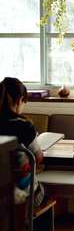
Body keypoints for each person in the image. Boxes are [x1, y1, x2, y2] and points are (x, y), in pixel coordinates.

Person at [0, 77, 45, 206]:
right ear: (19, 100)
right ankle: (29, 224)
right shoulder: (24, 126)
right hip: (19, 192)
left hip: (2, 191)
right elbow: (38, 157)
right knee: (43, 192)